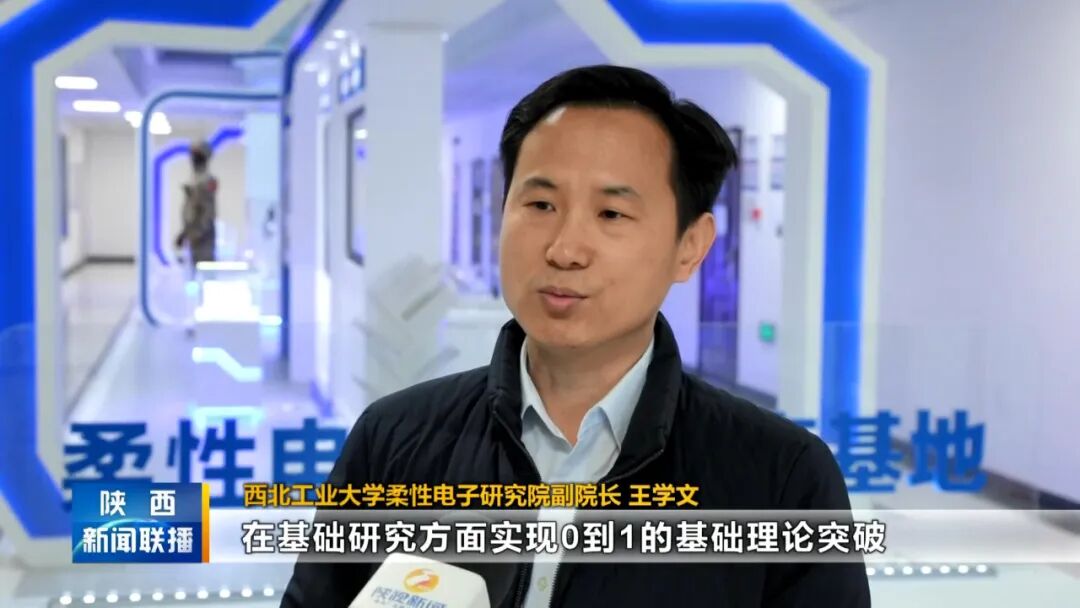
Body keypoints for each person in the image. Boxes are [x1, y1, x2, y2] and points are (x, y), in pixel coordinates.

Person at [282, 65, 870, 607]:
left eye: (611, 214)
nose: (564, 249)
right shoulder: (392, 439)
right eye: (540, 204)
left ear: (690, 246)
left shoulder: (783, 478)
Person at [175, 140, 218, 273]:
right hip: (193, 236)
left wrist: (194, 234)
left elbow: (207, 213)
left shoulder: (207, 180)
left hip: (203, 237)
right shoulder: (194, 179)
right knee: (193, 274)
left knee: (205, 273)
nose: (193, 159)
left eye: (196, 156)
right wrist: (185, 233)